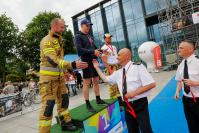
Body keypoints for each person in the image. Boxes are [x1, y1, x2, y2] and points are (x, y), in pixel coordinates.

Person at [39, 18, 88, 133]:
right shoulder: (46, 41)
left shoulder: (59, 40)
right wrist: (72, 64)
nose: (64, 29)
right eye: (62, 27)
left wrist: (69, 67)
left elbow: (60, 61)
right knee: (48, 107)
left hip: (60, 78)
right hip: (48, 81)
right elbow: (54, 60)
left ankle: (65, 123)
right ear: (54, 26)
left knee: (64, 101)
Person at [93, 48, 155, 133]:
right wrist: (97, 67)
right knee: (132, 130)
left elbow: (151, 84)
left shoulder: (138, 66)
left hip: (140, 104)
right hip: (127, 105)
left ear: (126, 56)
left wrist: (134, 93)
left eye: (119, 55)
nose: (117, 57)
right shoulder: (119, 72)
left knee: (146, 130)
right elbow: (105, 79)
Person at [74, 18, 107, 113]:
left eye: (89, 25)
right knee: (87, 83)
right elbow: (79, 50)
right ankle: (87, 104)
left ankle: (98, 99)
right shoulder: (77, 36)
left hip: (94, 61)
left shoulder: (89, 36)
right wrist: (93, 51)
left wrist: (101, 51)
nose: (89, 27)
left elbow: (94, 48)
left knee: (96, 80)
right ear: (82, 25)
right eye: (87, 25)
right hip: (86, 61)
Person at [174, 40, 199, 133]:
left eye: (181, 48)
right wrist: (177, 91)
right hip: (187, 99)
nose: (178, 50)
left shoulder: (198, 62)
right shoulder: (181, 64)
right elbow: (179, 80)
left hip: (198, 99)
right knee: (192, 125)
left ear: (190, 49)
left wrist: (195, 83)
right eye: (179, 47)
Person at [101, 33, 122, 103]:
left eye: (110, 37)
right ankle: (114, 102)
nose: (109, 39)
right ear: (104, 39)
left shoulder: (114, 47)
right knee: (112, 83)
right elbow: (104, 60)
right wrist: (109, 70)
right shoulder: (103, 48)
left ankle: (120, 100)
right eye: (108, 38)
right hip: (110, 67)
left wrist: (119, 64)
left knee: (119, 82)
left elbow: (116, 56)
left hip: (117, 66)